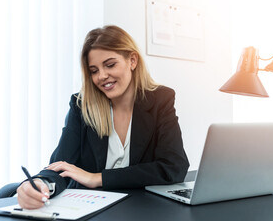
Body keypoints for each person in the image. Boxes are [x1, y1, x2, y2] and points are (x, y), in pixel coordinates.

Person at [17, 25, 189, 209]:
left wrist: (97, 178)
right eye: (94, 70)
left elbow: (174, 167)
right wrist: (42, 184)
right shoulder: (81, 106)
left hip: (141, 209)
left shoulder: (160, 100)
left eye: (110, 65)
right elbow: (61, 165)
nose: (102, 76)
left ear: (132, 60)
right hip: (89, 208)